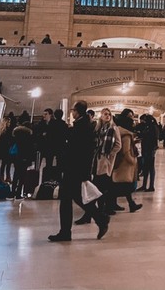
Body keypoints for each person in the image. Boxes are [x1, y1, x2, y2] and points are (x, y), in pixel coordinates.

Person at [48, 100, 109, 242]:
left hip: (74, 169)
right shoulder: (82, 125)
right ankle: (100, 219)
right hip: (75, 169)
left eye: (73, 110)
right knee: (76, 197)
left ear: (78, 111)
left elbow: (81, 151)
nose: (72, 112)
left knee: (68, 199)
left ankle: (66, 232)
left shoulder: (82, 127)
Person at [76, 108, 121, 224]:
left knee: (99, 188)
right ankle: (97, 214)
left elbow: (118, 145)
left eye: (109, 114)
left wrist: (109, 155)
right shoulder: (99, 128)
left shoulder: (113, 128)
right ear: (101, 116)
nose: (108, 116)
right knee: (96, 188)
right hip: (96, 160)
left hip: (105, 161)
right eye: (105, 114)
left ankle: (96, 215)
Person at [111, 108, 142, 212]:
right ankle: (130, 204)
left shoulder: (118, 131)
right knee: (124, 186)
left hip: (117, 162)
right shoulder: (126, 135)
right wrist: (133, 161)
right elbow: (126, 151)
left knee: (118, 185)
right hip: (124, 164)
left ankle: (115, 204)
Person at [11, 120, 36, 199]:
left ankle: (12, 193)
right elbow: (30, 148)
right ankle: (18, 193)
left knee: (16, 174)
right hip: (24, 157)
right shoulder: (28, 135)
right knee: (22, 176)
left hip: (16, 157)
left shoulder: (16, 133)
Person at [138, 113, 159, 192]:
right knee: (146, 168)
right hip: (146, 149)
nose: (143, 122)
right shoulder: (149, 127)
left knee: (150, 168)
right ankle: (144, 185)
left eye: (144, 120)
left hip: (150, 150)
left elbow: (154, 139)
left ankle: (151, 186)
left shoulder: (152, 127)